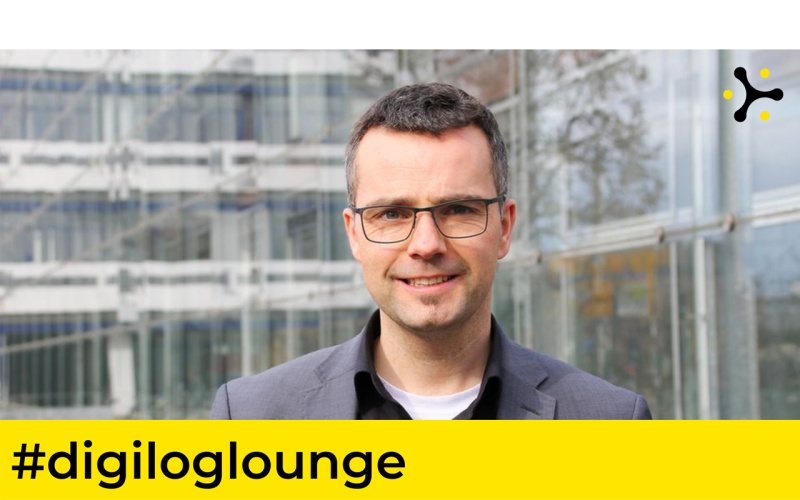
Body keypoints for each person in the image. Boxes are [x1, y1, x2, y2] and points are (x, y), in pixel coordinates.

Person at [210, 83, 652, 420]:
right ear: (354, 234)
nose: (426, 245)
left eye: (459, 209)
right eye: (392, 214)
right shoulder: (250, 419)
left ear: (505, 227)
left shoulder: (610, 422)